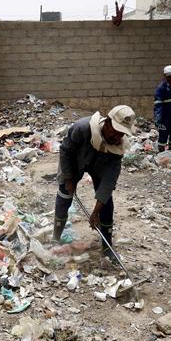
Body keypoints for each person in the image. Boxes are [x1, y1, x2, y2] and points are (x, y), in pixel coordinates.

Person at [53, 105, 137, 259]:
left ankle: (107, 247)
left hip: (100, 165)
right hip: (76, 160)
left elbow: (108, 184)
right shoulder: (82, 128)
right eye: (115, 130)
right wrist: (69, 178)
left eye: (121, 133)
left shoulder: (117, 150)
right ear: (108, 122)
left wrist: (95, 212)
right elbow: (66, 150)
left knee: (106, 202)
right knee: (64, 195)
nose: (117, 136)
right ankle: (56, 238)